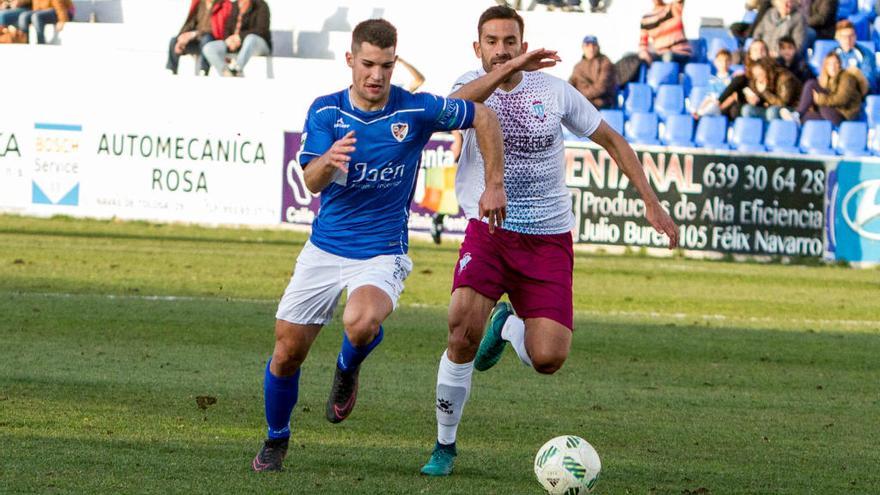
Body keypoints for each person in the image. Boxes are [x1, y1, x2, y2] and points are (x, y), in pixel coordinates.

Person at [419, 5, 678, 477]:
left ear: (522, 41)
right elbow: (449, 112)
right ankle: (445, 445)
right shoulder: (470, 84)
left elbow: (613, 140)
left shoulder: (556, 92)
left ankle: (508, 326)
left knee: (549, 358)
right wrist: (508, 71)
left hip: (548, 238)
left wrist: (651, 201)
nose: (501, 49)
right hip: (491, 230)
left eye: (510, 42)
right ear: (477, 49)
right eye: (492, 42)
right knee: (460, 331)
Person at [251, 18, 506, 473]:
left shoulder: (414, 111)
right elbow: (310, 182)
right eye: (368, 64)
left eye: (386, 66)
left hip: (381, 250)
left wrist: (494, 182)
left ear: (394, 63)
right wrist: (328, 162)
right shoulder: (327, 113)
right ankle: (276, 438)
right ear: (351, 60)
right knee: (287, 351)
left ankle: (348, 368)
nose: (376, 75)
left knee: (361, 320)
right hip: (325, 249)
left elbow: (482, 115)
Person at [783, 52, 868, 125]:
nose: (833, 66)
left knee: (812, 84)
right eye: (829, 64)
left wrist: (820, 99)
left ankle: (797, 113)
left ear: (840, 64)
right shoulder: (826, 79)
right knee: (803, 118)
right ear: (825, 66)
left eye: (836, 63)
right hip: (829, 113)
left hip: (843, 115)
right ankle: (797, 116)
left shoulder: (847, 77)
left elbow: (842, 99)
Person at [201, 0, 271, 77]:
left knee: (250, 39)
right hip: (236, 44)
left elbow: (261, 30)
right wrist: (229, 39)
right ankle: (226, 73)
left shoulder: (261, 6)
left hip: (257, 45)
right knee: (209, 48)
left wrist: (240, 37)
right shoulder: (235, 5)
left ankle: (237, 69)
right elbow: (227, 27)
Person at [166, 0, 232, 76]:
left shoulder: (223, 4)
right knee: (174, 40)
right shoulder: (200, 3)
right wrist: (182, 36)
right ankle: (171, 70)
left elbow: (215, 29)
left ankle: (203, 70)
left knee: (207, 39)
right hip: (196, 41)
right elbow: (191, 22)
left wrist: (194, 34)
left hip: (211, 41)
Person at [717, 39, 770, 119]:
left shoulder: (772, 72)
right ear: (750, 54)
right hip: (748, 103)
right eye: (755, 50)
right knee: (733, 109)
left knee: (743, 110)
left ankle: (716, 104)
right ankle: (717, 104)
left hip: (765, 105)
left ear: (767, 53)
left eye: (762, 49)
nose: (759, 52)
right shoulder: (745, 74)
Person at [427, 130, 463, 245]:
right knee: (452, 195)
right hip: (457, 154)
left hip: (461, 153)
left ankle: (438, 219)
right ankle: (437, 220)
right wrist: (457, 140)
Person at [568, 35, 618, 109]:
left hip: (601, 103)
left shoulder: (605, 62)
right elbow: (570, 85)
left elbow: (601, 87)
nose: (591, 49)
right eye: (587, 45)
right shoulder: (578, 67)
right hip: (581, 102)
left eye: (594, 45)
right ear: (583, 47)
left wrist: (580, 95)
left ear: (598, 47)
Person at [638, 0, 691, 67]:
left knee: (667, 56)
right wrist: (643, 54)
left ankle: (666, 77)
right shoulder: (645, 19)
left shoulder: (674, 8)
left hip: (680, 53)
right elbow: (643, 43)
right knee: (631, 58)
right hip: (660, 54)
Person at [833, 19, 878, 93]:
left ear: (855, 37)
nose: (848, 40)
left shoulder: (864, 53)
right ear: (838, 38)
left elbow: (869, 79)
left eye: (851, 36)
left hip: (857, 90)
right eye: (844, 37)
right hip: (837, 89)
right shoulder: (834, 53)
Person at [693, 49, 734, 117]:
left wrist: (721, 106)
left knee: (711, 108)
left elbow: (733, 97)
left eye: (727, 60)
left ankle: (700, 114)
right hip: (713, 105)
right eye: (720, 61)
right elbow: (709, 97)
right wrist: (701, 107)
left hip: (724, 107)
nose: (724, 63)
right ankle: (699, 113)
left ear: (731, 62)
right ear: (715, 62)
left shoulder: (733, 77)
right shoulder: (712, 79)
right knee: (704, 108)